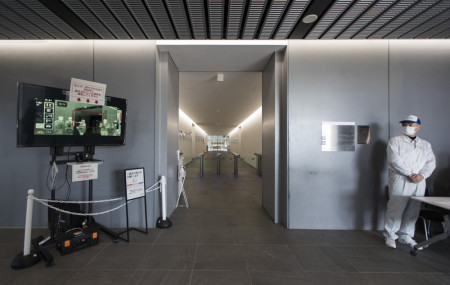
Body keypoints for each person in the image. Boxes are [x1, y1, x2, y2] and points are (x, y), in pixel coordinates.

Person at [384, 115, 436, 249]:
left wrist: (422, 175)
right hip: (401, 178)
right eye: (405, 124)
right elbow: (394, 160)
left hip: (419, 180)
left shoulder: (425, 145)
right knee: (396, 207)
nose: (407, 127)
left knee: (413, 208)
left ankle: (405, 235)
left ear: (418, 127)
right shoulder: (395, 141)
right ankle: (390, 235)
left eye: (410, 124)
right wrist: (409, 173)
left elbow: (431, 163)